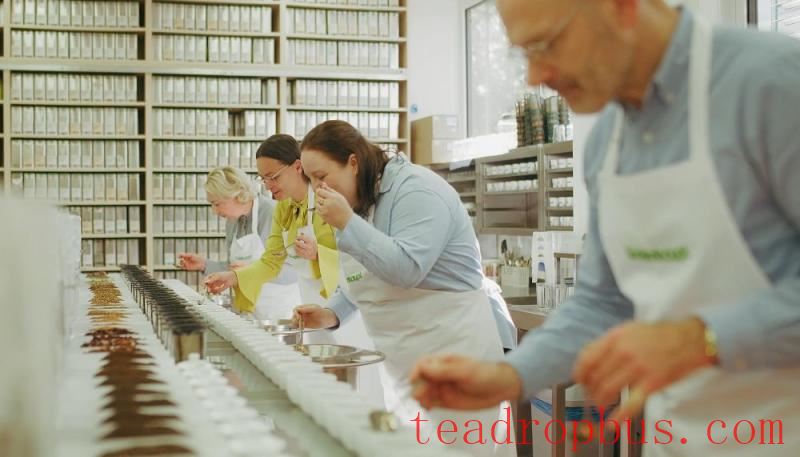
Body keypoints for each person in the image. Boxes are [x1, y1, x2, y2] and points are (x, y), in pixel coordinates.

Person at [411, 1, 800, 456]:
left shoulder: (770, 84)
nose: (535, 76)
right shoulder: (606, 145)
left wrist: (701, 338)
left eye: (546, 44)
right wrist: (511, 375)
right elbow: (601, 303)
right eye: (523, 54)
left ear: (621, 7)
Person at [293, 120, 517, 457]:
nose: (316, 189)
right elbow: (365, 280)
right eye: (310, 180)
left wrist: (347, 224)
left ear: (353, 162)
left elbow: (406, 269)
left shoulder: (416, 191)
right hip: (404, 370)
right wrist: (330, 313)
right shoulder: (359, 203)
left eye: (322, 177)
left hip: (455, 356)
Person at [203, 135, 383, 404]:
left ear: (298, 167)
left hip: (347, 305)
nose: (268, 185)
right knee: (320, 387)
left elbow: (361, 251)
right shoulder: (284, 209)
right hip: (310, 305)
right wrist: (233, 277)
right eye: (263, 179)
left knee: (356, 388)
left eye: (273, 176)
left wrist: (318, 253)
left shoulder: (328, 199)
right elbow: (270, 261)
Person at [177, 166, 297, 316]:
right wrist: (204, 265)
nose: (214, 211)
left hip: (278, 312)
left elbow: (294, 271)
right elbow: (233, 269)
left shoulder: (273, 213)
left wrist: (249, 272)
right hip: (247, 311)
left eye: (217, 203)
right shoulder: (233, 221)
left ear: (238, 195)